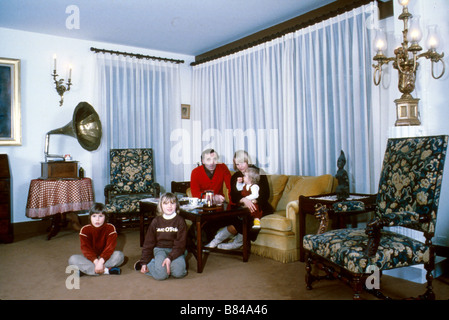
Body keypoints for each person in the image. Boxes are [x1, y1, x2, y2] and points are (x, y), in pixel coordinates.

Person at [206, 150, 273, 250]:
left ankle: (236, 243)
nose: (240, 166)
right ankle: (216, 241)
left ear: (247, 161)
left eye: (242, 163)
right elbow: (234, 195)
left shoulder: (259, 172)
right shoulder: (236, 176)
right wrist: (243, 200)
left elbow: (265, 194)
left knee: (246, 220)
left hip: (261, 206)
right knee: (234, 219)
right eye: (237, 164)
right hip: (242, 207)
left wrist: (253, 201)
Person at [134, 193, 188, 280]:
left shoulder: (180, 221)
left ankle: (170, 263)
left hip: (176, 250)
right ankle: (151, 263)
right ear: (160, 206)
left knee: (179, 273)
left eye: (172, 203)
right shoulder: (156, 221)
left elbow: (181, 244)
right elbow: (148, 243)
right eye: (165, 203)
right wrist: (144, 262)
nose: (169, 206)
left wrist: (170, 258)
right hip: (160, 249)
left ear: (176, 205)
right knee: (161, 275)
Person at [68, 203, 124, 276]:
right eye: (94, 216)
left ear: (105, 217)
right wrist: (96, 261)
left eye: (100, 216)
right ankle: (106, 270)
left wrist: (101, 262)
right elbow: (86, 249)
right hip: (91, 259)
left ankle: (86, 270)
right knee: (72, 259)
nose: (97, 219)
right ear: (90, 217)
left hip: (106, 258)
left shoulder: (110, 228)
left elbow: (110, 248)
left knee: (119, 255)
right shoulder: (84, 230)